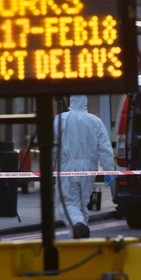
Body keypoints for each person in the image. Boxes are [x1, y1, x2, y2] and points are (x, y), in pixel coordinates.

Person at [53, 95, 115, 238]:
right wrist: (108, 170)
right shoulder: (95, 121)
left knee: (68, 203)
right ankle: (78, 239)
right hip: (88, 170)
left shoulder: (60, 120)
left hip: (67, 169)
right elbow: (105, 148)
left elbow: (52, 147)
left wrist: (50, 165)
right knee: (82, 204)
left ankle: (79, 225)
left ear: (71, 101)